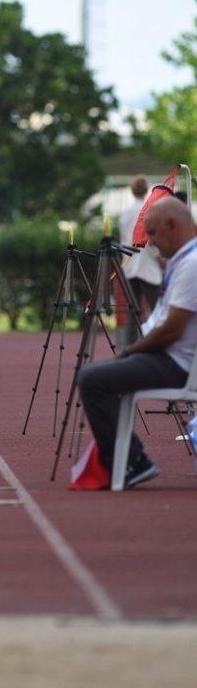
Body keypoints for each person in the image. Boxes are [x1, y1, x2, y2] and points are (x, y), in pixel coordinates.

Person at [78, 198, 197, 488]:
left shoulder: (192, 264)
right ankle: (129, 458)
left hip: (177, 363)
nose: (151, 243)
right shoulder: (185, 260)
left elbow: (171, 329)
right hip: (172, 357)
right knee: (101, 375)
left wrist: (132, 350)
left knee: (91, 378)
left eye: (153, 233)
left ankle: (132, 462)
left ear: (173, 225)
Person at [118, 175, 162, 345]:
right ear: (146, 190)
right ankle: (158, 346)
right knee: (158, 310)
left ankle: (130, 347)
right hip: (148, 266)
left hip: (129, 266)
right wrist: (159, 257)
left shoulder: (125, 212)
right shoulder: (148, 210)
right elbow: (151, 240)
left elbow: (123, 240)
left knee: (133, 312)